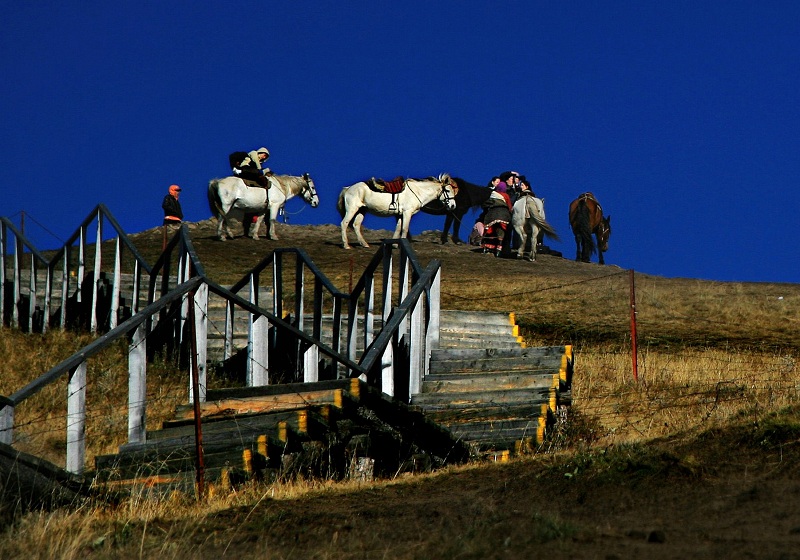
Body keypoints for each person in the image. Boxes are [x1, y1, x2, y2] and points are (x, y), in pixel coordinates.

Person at [480, 181, 513, 257]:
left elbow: (485, 204)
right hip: (503, 215)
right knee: (501, 233)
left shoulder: (493, 194)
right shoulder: (506, 196)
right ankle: (499, 249)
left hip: (492, 215)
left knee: (490, 231)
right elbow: (509, 207)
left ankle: (487, 247)